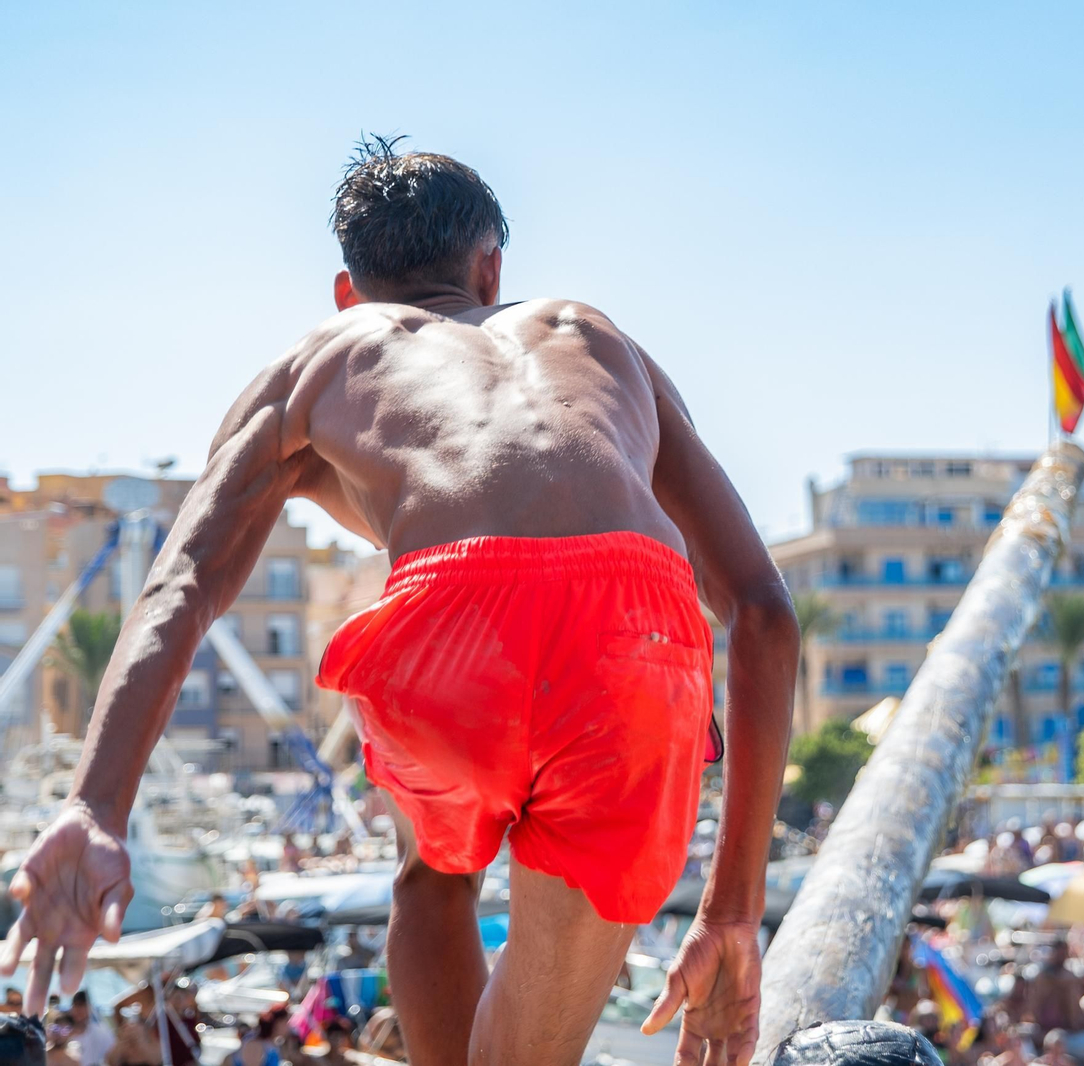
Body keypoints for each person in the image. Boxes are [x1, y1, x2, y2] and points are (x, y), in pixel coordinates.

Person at [0, 137, 799, 1066]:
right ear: (491, 268)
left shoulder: (328, 352)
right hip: (634, 623)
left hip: (446, 624)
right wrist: (732, 910)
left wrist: (97, 807)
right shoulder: (594, 335)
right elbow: (764, 614)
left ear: (349, 291)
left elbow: (182, 586)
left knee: (430, 877)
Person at [65, 990, 113, 1066]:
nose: (79, 1010)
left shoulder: (102, 1032)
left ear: (90, 1008)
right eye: (76, 1005)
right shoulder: (63, 1033)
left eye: (83, 1006)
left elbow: (112, 1058)